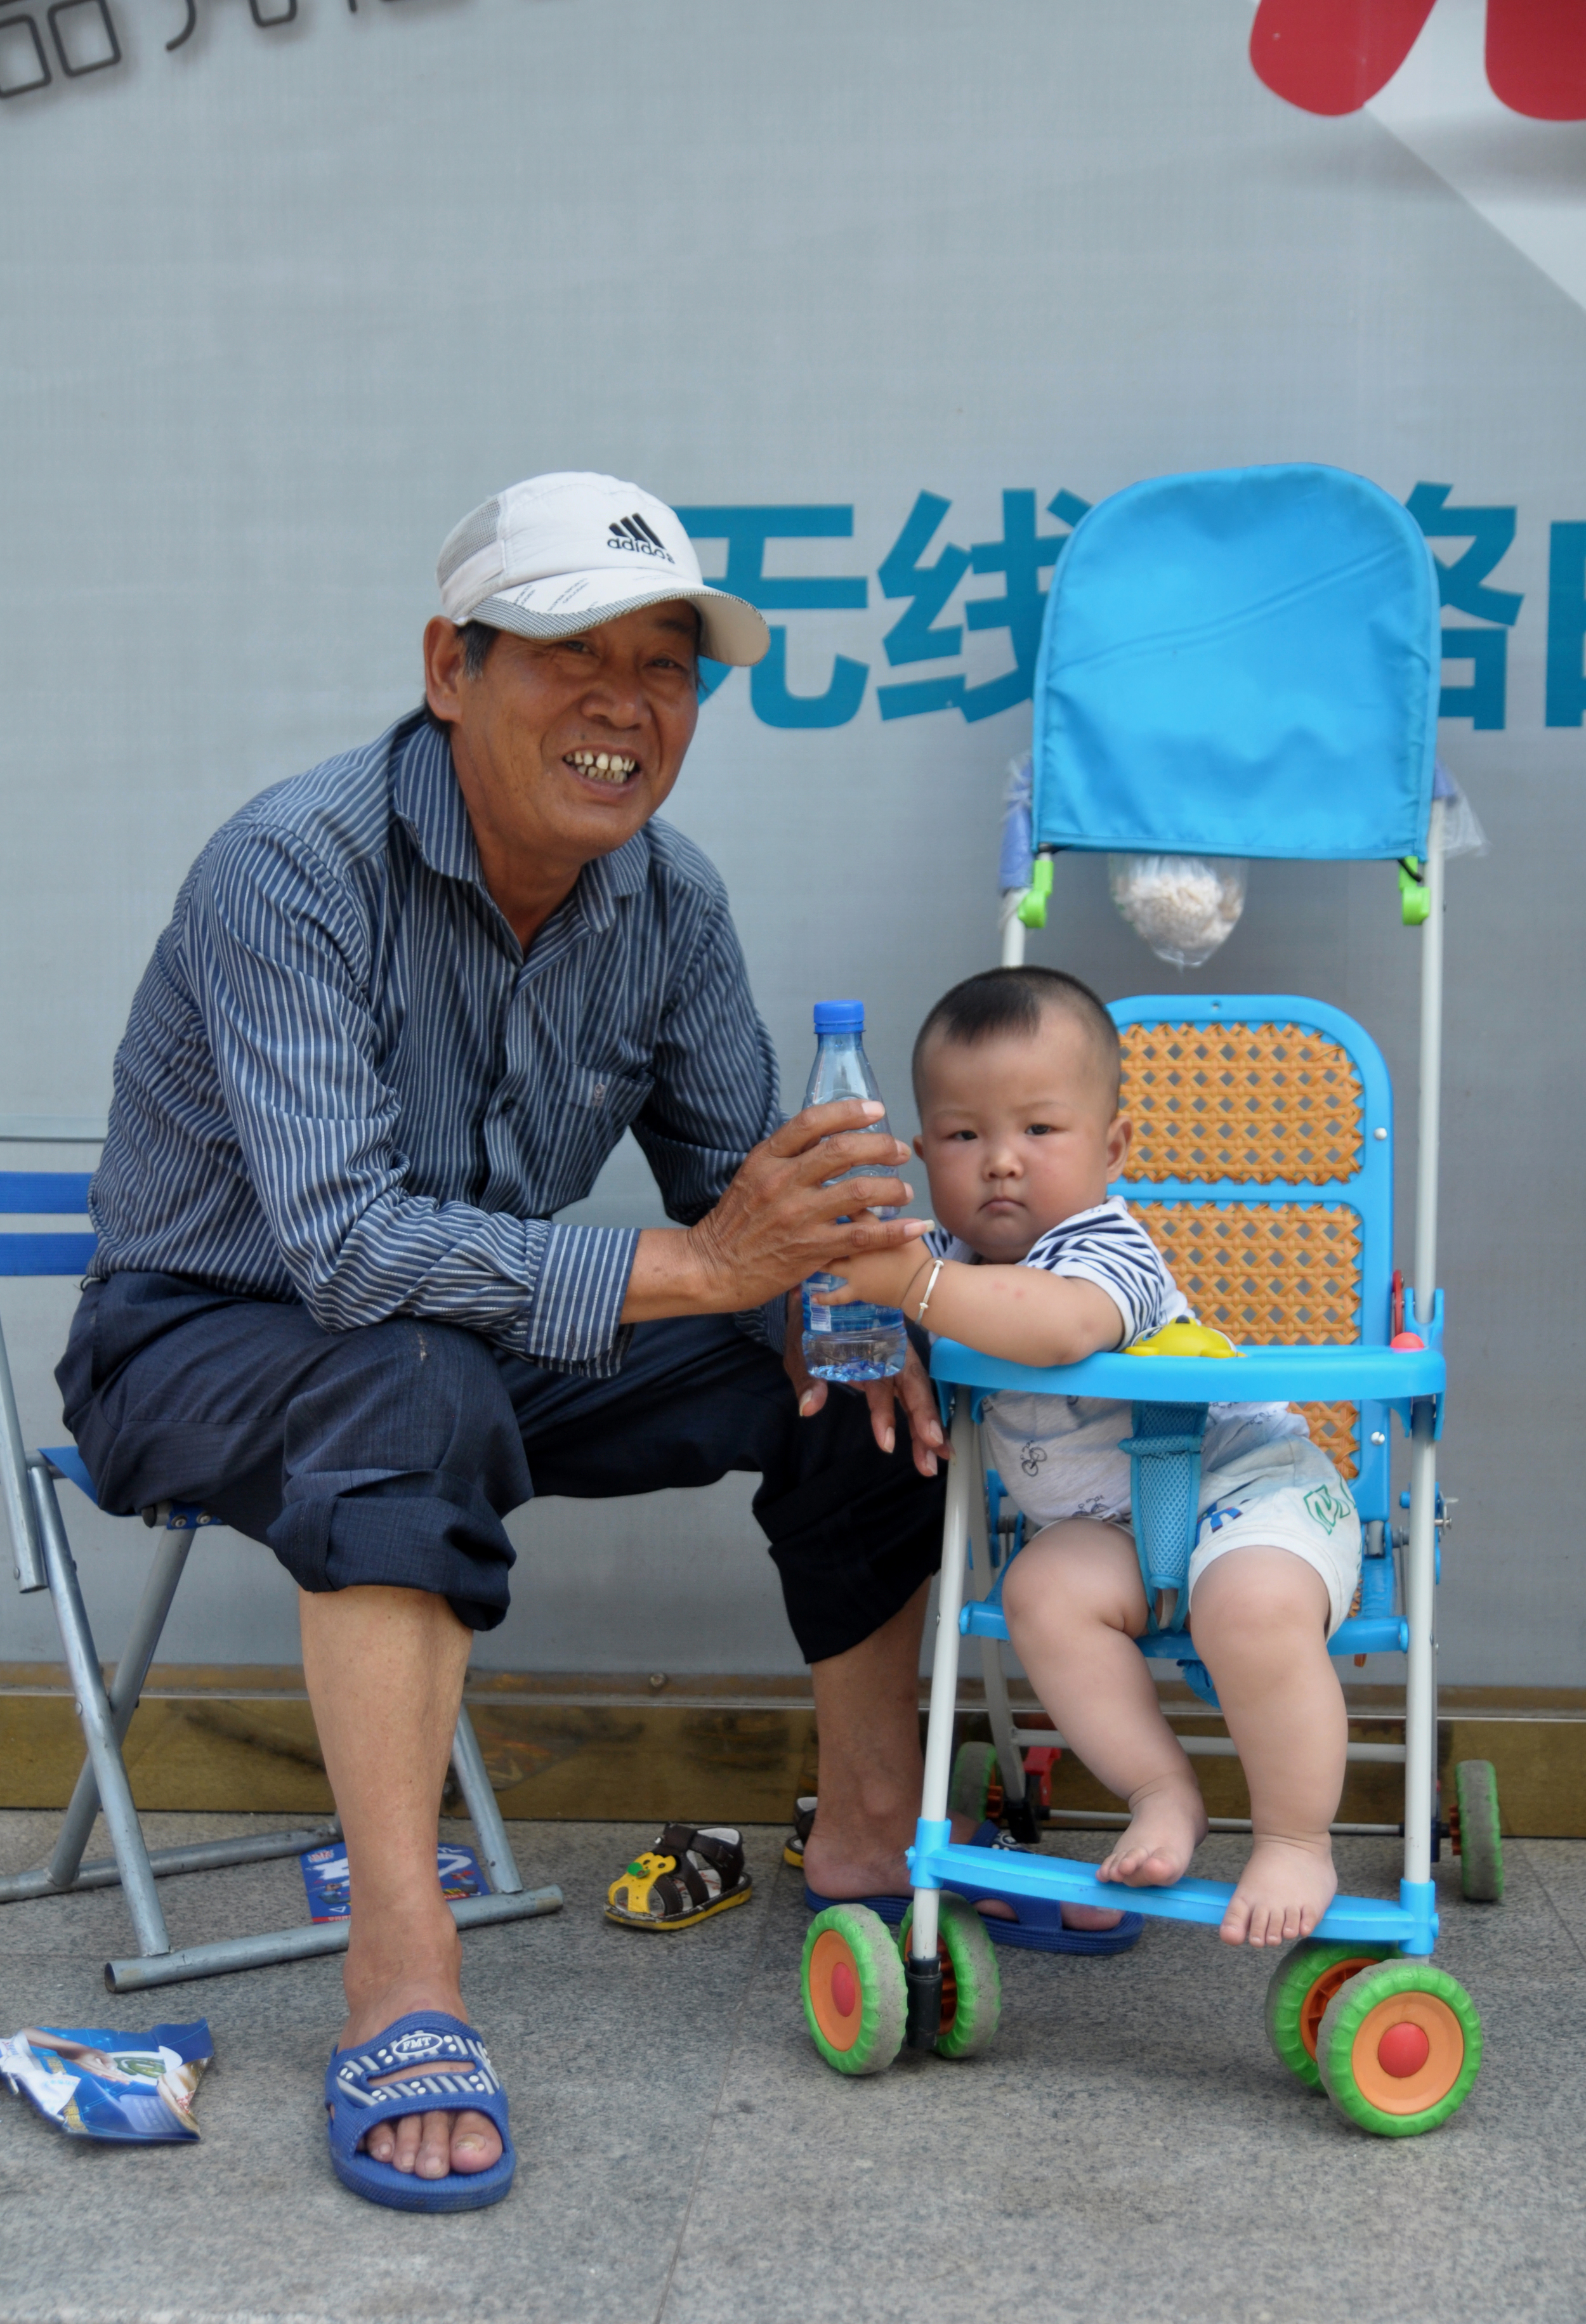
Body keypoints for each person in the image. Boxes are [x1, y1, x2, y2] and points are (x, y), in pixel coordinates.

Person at [56, 471, 964, 2209]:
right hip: (200, 1344)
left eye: (669, 667)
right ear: (450, 668)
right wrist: (709, 1266)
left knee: (843, 1370)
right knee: (409, 1374)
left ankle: (866, 1849)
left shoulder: (670, 902)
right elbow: (342, 1249)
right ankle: (402, 1976)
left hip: (475, 1350)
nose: (628, 703)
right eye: (570, 652)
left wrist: (839, 1292)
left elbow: (732, 1197)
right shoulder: (289, 870)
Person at [815, 963, 1364, 1950]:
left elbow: (1060, 1329)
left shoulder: (1105, 1248)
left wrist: (913, 1287)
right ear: (922, 1150)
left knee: (1248, 1607)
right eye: (963, 1135)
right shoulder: (942, 1255)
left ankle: (1294, 1837)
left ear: (1111, 1148)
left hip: (1251, 1490)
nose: (1001, 1163)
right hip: (1112, 1527)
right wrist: (849, 1274)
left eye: (1038, 1130)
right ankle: (1162, 1793)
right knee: (1039, 1592)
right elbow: (851, 1276)